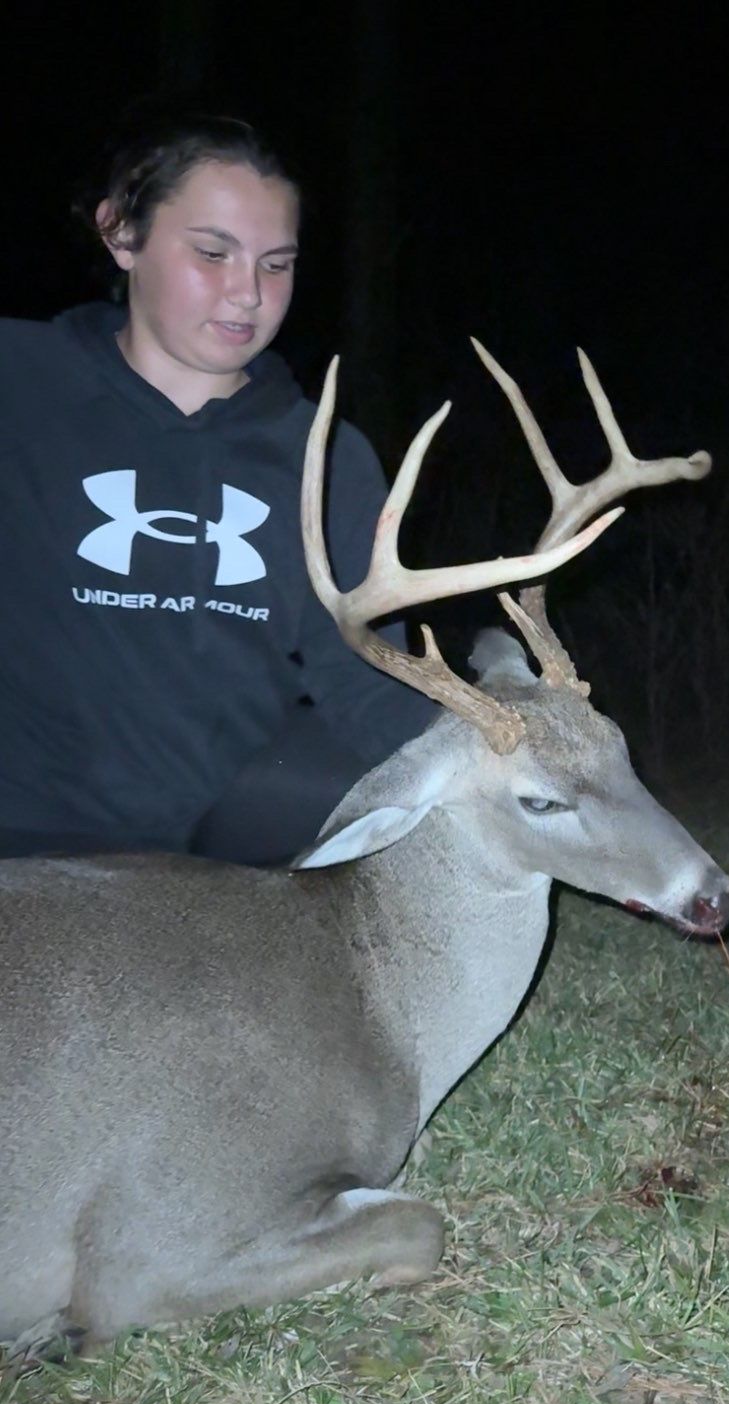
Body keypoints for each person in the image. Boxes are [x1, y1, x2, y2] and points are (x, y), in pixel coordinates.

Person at [0, 111, 430, 864]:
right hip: (24, 842)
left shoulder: (324, 457)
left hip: (220, 864)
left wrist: (493, 743)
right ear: (121, 233)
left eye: (277, 263)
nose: (248, 294)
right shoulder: (21, 385)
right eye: (212, 252)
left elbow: (366, 687)